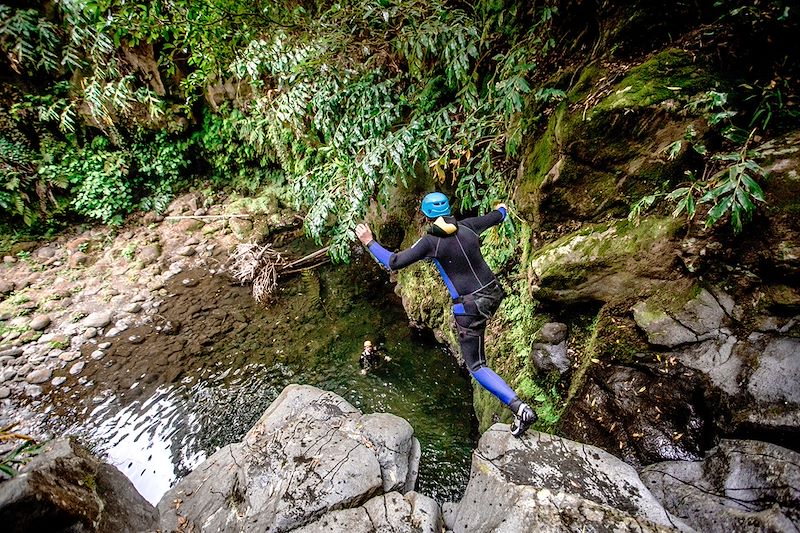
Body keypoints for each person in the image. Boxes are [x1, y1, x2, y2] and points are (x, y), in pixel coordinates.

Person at [355, 192, 538, 437]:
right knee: (477, 340)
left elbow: (394, 261)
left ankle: (520, 409)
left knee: (477, 366)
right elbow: (498, 216)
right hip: (493, 294)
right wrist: (503, 209)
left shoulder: (431, 242)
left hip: (470, 307)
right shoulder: (469, 226)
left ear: (426, 215)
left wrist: (369, 241)